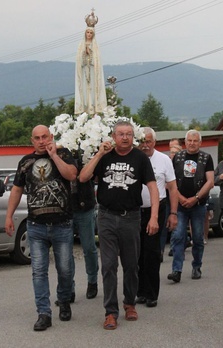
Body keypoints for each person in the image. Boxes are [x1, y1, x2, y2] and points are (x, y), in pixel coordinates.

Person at [78, 121, 159, 330]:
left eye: (129, 134)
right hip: (106, 217)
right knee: (108, 266)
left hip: (131, 218)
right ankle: (110, 312)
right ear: (113, 136)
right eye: (121, 134)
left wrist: (154, 217)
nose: (125, 138)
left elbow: (152, 187)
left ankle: (130, 303)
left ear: (134, 137)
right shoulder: (105, 157)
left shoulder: (140, 158)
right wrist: (98, 154)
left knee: (131, 265)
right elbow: (83, 177)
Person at [5, 125, 77, 331]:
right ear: (32, 141)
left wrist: (54, 156)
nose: (41, 140)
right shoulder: (25, 162)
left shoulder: (63, 154)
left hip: (62, 224)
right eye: (37, 138)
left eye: (45, 136)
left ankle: (63, 300)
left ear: (51, 137)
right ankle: (43, 313)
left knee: (64, 269)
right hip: (36, 226)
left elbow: (72, 175)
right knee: (38, 271)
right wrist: (8, 216)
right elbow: (17, 189)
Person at [137, 128, 178, 307]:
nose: (145, 145)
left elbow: (172, 188)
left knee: (152, 253)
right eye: (142, 142)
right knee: (137, 254)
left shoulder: (163, 160)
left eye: (148, 141)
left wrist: (173, 214)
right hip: (135, 211)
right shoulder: (133, 158)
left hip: (157, 210)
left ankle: (152, 293)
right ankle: (140, 291)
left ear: (154, 142)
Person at [168, 130, 214, 283]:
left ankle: (196, 266)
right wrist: (180, 198)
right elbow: (171, 181)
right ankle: (176, 270)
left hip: (198, 205)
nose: (192, 143)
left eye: (195, 141)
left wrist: (195, 198)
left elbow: (210, 182)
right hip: (180, 205)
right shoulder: (178, 158)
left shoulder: (206, 158)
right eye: (189, 140)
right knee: (178, 236)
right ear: (185, 142)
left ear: (200, 143)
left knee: (198, 237)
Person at [71, 168, 98, 300]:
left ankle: (92, 281)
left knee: (89, 247)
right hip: (65, 208)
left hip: (85, 206)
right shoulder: (57, 153)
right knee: (64, 252)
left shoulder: (85, 151)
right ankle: (68, 288)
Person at [74, 10, 107, 115]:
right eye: (87, 32)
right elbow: (79, 61)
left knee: (93, 91)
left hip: (93, 72)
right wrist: (84, 54)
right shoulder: (81, 46)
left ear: (93, 34)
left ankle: (94, 110)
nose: (89, 34)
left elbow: (97, 61)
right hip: (84, 73)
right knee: (84, 91)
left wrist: (91, 54)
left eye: (91, 33)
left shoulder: (95, 46)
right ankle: (85, 110)